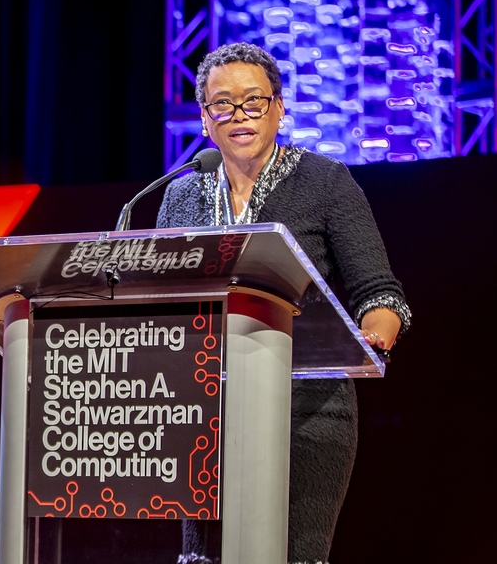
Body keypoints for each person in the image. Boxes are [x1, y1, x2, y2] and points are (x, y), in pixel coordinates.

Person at [156, 42, 411, 564]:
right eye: (222, 104)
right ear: (205, 119)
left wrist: (374, 334)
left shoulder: (325, 182)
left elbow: (380, 293)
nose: (239, 115)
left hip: (309, 412)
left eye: (254, 101)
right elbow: (162, 299)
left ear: (280, 108)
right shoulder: (180, 194)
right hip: (203, 412)